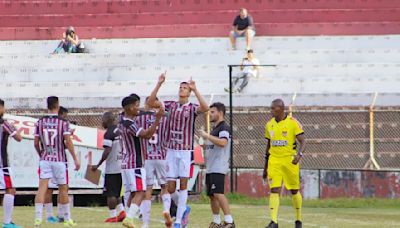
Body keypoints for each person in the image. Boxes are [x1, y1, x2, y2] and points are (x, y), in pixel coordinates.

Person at [148, 72, 209, 228]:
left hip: (185, 151)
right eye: (180, 87)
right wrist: (159, 83)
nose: (182, 89)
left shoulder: (192, 108)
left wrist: (195, 89)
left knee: (183, 185)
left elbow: (205, 107)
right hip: (171, 150)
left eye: (185, 88)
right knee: (170, 187)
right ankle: (181, 210)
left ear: (189, 93)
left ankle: (177, 220)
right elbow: (150, 102)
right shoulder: (171, 105)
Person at [33, 96, 81, 227]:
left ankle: (38, 219)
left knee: (42, 188)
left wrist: (41, 154)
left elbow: (36, 143)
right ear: (58, 106)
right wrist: (75, 158)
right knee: (63, 189)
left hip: (45, 159)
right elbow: (68, 141)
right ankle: (67, 219)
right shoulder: (63, 122)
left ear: (47, 106)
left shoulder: (40, 122)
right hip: (59, 159)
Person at [119, 95, 164, 228]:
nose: (139, 108)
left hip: (126, 162)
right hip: (135, 163)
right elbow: (146, 135)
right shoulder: (130, 123)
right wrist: (157, 119)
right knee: (141, 192)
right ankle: (129, 218)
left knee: (133, 193)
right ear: (131, 107)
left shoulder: (121, 121)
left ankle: (128, 216)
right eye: (137, 105)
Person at [263, 99, 306, 228]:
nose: (271, 111)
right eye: (270, 108)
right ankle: (274, 222)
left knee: (294, 190)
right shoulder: (269, 124)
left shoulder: (293, 123)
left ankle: (298, 220)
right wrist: (265, 167)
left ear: (281, 109)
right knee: (274, 189)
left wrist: (299, 155)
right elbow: (268, 146)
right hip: (274, 161)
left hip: (289, 161)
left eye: (273, 108)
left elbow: (303, 141)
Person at [198, 102, 235, 228]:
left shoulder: (224, 128)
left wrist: (207, 136)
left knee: (218, 193)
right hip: (211, 167)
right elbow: (212, 145)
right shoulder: (215, 129)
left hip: (219, 166)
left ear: (220, 113)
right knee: (212, 195)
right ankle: (217, 221)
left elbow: (223, 143)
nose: (210, 114)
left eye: (213, 112)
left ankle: (230, 221)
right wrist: (202, 143)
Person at [138, 97, 173, 228]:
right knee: (165, 187)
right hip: (162, 156)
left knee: (147, 189)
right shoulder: (164, 117)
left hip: (147, 158)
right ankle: (166, 210)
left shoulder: (141, 118)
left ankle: (146, 223)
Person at [92, 112, 126, 223]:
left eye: (103, 120)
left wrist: (98, 165)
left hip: (112, 168)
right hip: (122, 166)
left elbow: (107, 150)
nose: (102, 122)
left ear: (107, 120)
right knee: (116, 192)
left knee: (110, 193)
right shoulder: (121, 130)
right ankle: (122, 212)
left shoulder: (109, 133)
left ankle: (113, 216)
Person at [43, 106, 69, 224]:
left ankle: (59, 214)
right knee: (54, 188)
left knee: (58, 188)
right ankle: (51, 216)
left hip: (50, 159)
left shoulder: (44, 123)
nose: (65, 118)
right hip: (57, 160)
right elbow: (66, 143)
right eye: (64, 116)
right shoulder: (61, 124)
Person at [0, 99, 23, 228]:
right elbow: (19, 138)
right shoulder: (5, 124)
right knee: (10, 189)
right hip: (2, 164)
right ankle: (7, 223)